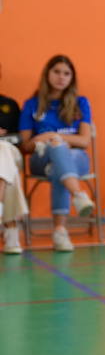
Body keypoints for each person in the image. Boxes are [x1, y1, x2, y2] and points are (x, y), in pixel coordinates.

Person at [18, 55, 95, 252]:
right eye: (57, 72)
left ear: (72, 78)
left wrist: (53, 136)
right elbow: (25, 145)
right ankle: (77, 196)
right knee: (57, 150)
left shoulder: (81, 103)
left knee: (58, 167)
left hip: (76, 158)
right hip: (41, 158)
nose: (61, 77)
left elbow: (84, 141)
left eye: (66, 73)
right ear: (47, 74)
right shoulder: (31, 104)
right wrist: (49, 141)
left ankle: (60, 231)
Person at [0, 71, 25, 253]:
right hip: (8, 164)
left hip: (11, 151)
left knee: (4, 151)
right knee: (9, 171)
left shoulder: (10, 105)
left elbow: (20, 138)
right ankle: (11, 230)